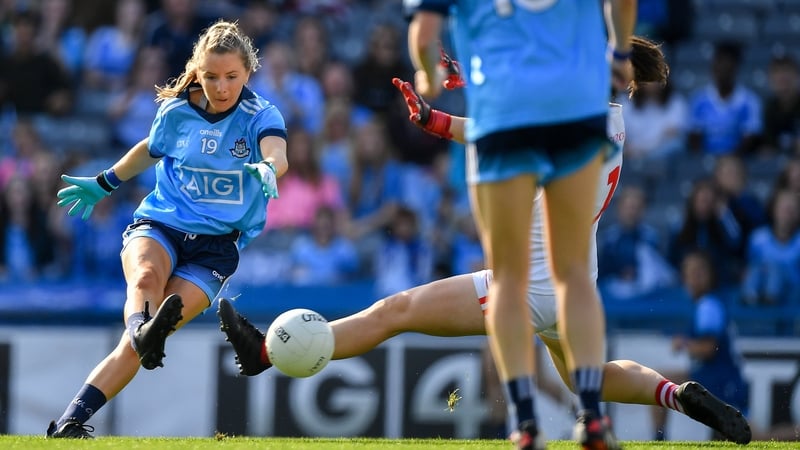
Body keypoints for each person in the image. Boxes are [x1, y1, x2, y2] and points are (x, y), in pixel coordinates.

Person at [218, 39, 751, 447]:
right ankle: (677, 395)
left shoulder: (571, 122)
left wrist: (444, 108)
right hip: (573, 287)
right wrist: (443, 113)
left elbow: (500, 126)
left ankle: (264, 354)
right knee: (587, 378)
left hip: (526, 288)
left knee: (394, 311)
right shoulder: (608, 124)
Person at [404, 2, 635, 449]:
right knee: (573, 275)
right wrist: (621, 54)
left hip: (504, 116)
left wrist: (429, 74)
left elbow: (424, 32)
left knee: (508, 278)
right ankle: (591, 417)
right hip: (575, 112)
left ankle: (526, 425)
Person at [45, 20, 288, 438]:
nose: (222, 86)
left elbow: (277, 151)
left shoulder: (260, 115)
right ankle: (143, 328)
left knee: (138, 342)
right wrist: (105, 182)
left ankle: (70, 422)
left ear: (248, 72)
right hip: (162, 223)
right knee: (145, 281)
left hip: (216, 247)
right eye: (211, 76)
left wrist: (269, 169)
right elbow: (150, 150)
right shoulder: (176, 111)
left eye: (231, 76)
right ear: (197, 72)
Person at [653, 250, 750, 441]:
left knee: (659, 382)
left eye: (699, 272)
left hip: (720, 384)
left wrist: (683, 343)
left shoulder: (709, 305)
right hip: (716, 381)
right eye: (689, 272)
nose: (693, 278)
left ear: (710, 275)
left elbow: (708, 349)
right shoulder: (708, 304)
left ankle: (658, 439)